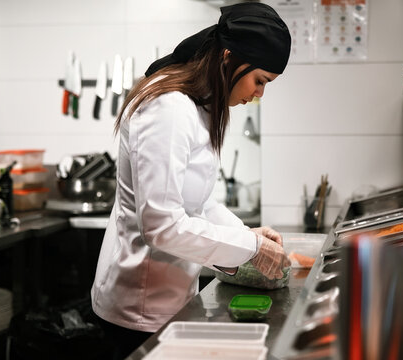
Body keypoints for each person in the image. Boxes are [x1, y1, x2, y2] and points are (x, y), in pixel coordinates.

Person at [91, 2, 292, 359]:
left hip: (170, 300)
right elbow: (162, 225)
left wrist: (247, 236)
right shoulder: (168, 108)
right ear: (229, 57)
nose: (260, 94)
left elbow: (198, 204)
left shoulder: (202, 107)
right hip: (137, 308)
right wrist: (252, 249)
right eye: (260, 80)